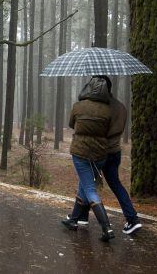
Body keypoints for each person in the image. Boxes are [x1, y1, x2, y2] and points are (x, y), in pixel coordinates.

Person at [74, 76, 142, 235]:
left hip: (100, 152)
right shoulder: (121, 107)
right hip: (115, 151)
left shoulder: (102, 107)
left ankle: (81, 217)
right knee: (114, 184)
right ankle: (132, 218)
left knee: (87, 183)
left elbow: (98, 131)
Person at [61, 76, 115, 241]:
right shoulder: (108, 110)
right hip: (100, 154)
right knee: (84, 186)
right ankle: (73, 220)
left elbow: (71, 124)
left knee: (89, 189)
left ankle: (107, 228)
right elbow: (110, 130)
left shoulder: (78, 106)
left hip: (81, 153)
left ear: (88, 88)